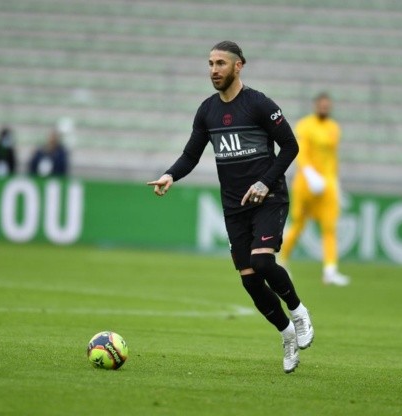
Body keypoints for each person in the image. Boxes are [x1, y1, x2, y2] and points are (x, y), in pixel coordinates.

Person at [147, 41, 313, 373]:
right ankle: (287, 334)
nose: (213, 70)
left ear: (238, 66)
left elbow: (291, 146)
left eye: (220, 63)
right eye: (210, 63)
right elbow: (191, 154)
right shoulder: (207, 111)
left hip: (268, 198)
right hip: (234, 206)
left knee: (262, 262)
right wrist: (170, 174)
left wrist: (265, 182)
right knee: (250, 280)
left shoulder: (259, 104)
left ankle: (298, 310)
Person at [279, 93, 350, 286]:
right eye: (322, 105)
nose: (325, 109)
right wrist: (310, 174)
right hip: (306, 183)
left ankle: (330, 270)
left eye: (328, 106)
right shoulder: (305, 125)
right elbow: (300, 151)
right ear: (316, 105)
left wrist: (336, 182)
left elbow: (332, 158)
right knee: (298, 224)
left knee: (329, 227)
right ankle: (282, 260)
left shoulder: (334, 128)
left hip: (327, 184)